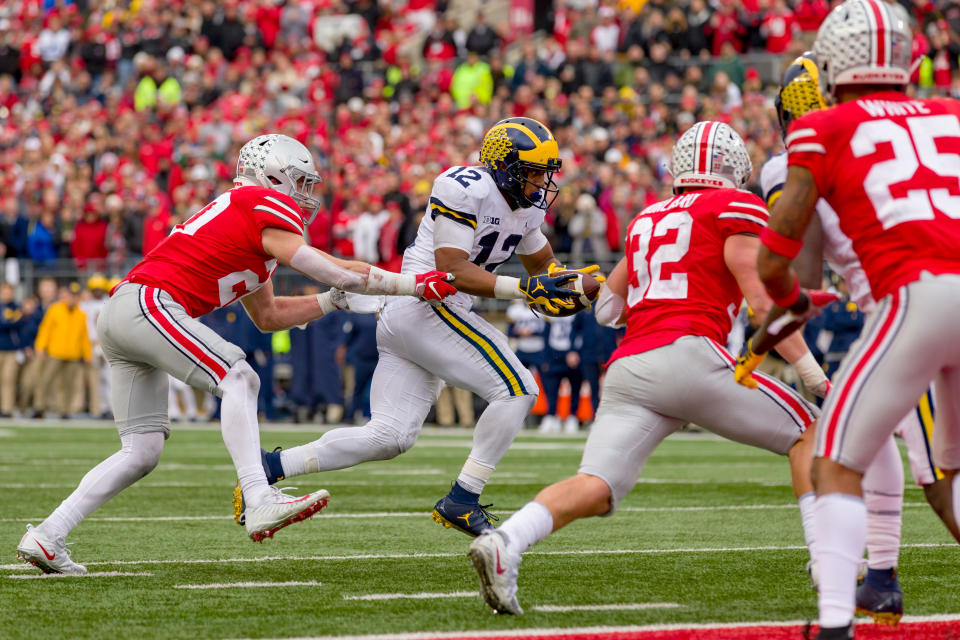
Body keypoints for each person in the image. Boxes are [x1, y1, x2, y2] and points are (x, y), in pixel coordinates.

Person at [15, 133, 456, 575]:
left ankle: (48, 535)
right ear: (271, 176)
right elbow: (329, 267)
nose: (306, 195)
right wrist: (411, 284)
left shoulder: (248, 225)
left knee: (142, 451)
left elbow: (268, 314)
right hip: (148, 303)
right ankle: (259, 494)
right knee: (239, 376)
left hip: (128, 311)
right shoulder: (257, 202)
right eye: (300, 182)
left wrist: (329, 302)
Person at [466, 121, 830, 615]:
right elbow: (764, 306)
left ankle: (507, 541)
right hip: (692, 353)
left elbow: (607, 311)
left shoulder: (648, 218)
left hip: (631, 367)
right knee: (809, 430)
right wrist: (814, 375)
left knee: (596, 486)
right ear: (734, 169)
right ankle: (829, 561)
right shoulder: (736, 205)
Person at [245, 117, 590, 537]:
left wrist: (579, 290)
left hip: (420, 318)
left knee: (389, 437)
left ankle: (269, 467)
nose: (541, 183)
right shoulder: (465, 186)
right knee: (518, 389)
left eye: (545, 173)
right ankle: (464, 498)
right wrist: (524, 288)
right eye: (533, 172)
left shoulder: (525, 207)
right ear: (504, 166)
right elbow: (452, 269)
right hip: (427, 304)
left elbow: (544, 267)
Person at [740, 2, 960, 636]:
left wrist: (784, 311)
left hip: (912, 303)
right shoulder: (946, 113)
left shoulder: (813, 138)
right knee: (947, 468)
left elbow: (792, 271)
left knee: (838, 460)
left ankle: (835, 622)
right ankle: (883, 580)